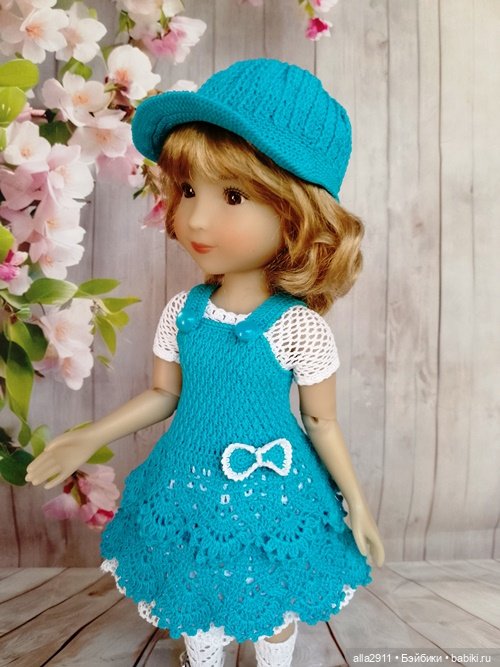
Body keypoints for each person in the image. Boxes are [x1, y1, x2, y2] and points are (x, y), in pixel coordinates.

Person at [25, 58, 385, 667]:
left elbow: (321, 421)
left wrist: (358, 503)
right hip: (188, 482)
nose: (194, 218)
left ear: (297, 213)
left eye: (233, 196)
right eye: (189, 190)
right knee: (198, 600)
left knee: (273, 605)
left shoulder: (298, 327)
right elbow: (163, 394)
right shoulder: (183, 313)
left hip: (276, 490)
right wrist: (89, 435)